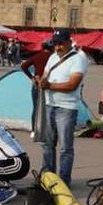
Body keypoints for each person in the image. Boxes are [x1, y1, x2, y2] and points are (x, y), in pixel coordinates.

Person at [38, 29, 88, 186]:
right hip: (49, 104)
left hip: (66, 107)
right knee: (48, 144)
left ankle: (64, 180)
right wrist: (40, 81)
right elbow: (45, 75)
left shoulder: (78, 59)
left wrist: (49, 85)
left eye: (61, 43)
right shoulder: (52, 57)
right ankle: (48, 176)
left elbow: (72, 85)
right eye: (55, 43)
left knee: (65, 147)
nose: (57, 47)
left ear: (69, 42)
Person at [21, 41, 53, 134]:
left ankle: (34, 130)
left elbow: (23, 66)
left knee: (36, 107)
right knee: (49, 107)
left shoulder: (37, 56)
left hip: (37, 84)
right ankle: (48, 129)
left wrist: (31, 77)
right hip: (50, 85)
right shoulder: (53, 57)